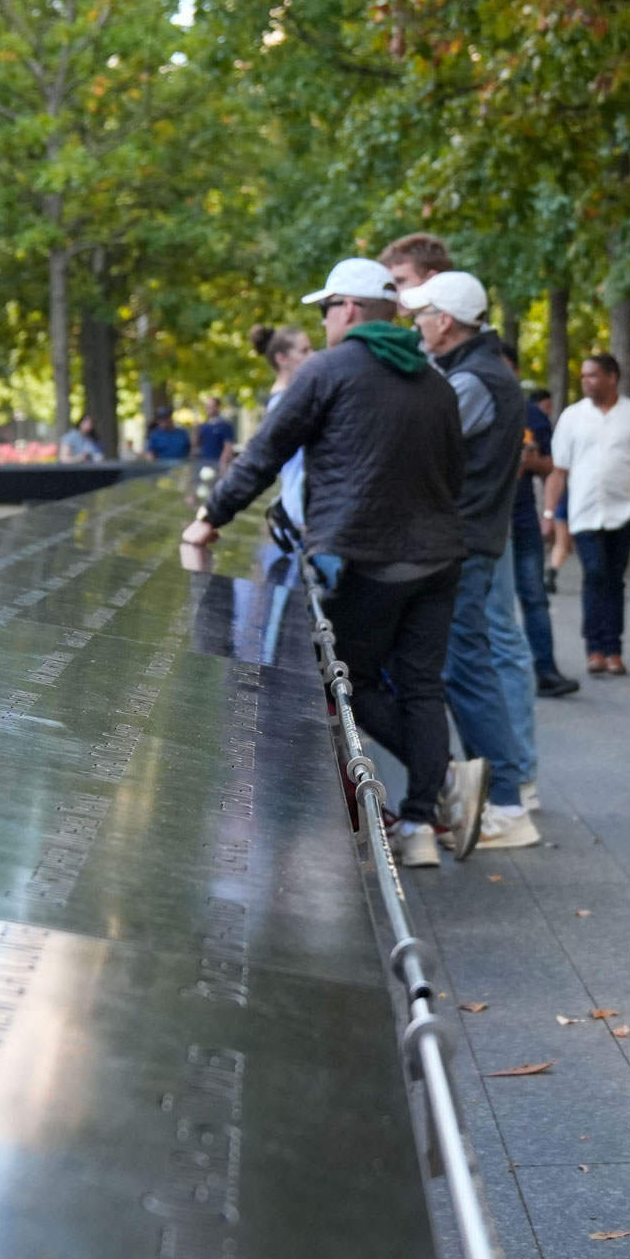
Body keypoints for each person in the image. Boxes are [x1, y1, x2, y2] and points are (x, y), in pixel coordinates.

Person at [185, 257, 465, 869]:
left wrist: (211, 517)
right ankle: (420, 824)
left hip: (360, 557)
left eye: (327, 307)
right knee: (420, 686)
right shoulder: (438, 383)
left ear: (351, 310)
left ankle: (433, 790)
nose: (324, 319)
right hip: (438, 560)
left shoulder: (329, 371)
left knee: (349, 681)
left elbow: (265, 453)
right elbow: (455, 475)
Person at [406, 269, 543, 853]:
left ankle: (507, 803)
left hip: (460, 544)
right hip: (469, 540)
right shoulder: (481, 373)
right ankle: (497, 794)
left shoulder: (472, 382)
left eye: (420, 315)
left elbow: (419, 450)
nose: (414, 325)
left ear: (444, 321)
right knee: (467, 664)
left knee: (468, 667)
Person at [547, 352, 630, 676]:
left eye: (593, 375)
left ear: (612, 378)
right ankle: (594, 648)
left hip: (622, 511)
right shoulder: (572, 417)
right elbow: (558, 469)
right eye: (583, 376)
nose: (586, 381)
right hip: (583, 511)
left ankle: (613, 650)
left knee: (613, 578)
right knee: (594, 573)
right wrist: (549, 511)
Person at [515, 385, 578, 698]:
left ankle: (545, 670)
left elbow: (550, 465)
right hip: (479, 523)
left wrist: (528, 463)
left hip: (521, 518)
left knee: (534, 596)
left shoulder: (531, 415)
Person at [246, 324, 313, 543]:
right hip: (302, 514)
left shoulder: (291, 401)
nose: (313, 356)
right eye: (304, 351)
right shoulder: (286, 406)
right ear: (282, 358)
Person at [193, 398, 234, 475]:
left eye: (211, 406)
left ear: (217, 407)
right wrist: (196, 430)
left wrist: (222, 465)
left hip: (218, 465)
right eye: (206, 406)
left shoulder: (225, 426)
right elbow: (195, 445)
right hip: (203, 465)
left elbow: (228, 447)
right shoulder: (203, 426)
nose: (208, 408)